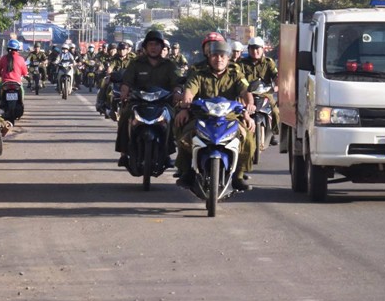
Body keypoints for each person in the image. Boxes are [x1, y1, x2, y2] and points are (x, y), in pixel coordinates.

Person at [174, 39, 255, 190]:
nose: (219, 59)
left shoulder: (236, 75)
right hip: (202, 116)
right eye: (215, 55)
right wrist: (185, 107)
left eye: (222, 56)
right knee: (184, 133)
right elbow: (189, 92)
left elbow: (246, 92)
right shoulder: (198, 74)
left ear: (228, 58)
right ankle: (187, 171)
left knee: (248, 137)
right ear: (209, 57)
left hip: (230, 117)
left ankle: (238, 175)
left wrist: (249, 107)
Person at [115, 30, 179, 169]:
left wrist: (177, 92)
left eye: (157, 44)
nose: (153, 47)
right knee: (124, 117)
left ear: (162, 47)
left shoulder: (169, 65)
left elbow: (176, 83)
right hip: (138, 101)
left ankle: (168, 153)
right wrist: (124, 92)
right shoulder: (136, 63)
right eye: (150, 44)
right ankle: (124, 153)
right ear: (145, 47)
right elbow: (127, 81)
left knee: (174, 118)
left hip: (163, 103)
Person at [239, 36, 279, 145]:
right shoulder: (242, 63)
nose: (255, 51)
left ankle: (273, 133)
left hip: (265, 93)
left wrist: (278, 85)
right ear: (248, 50)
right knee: (238, 111)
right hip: (247, 93)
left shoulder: (268, 62)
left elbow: (275, 75)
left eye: (257, 48)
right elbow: (238, 78)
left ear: (262, 49)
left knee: (275, 111)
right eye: (252, 49)